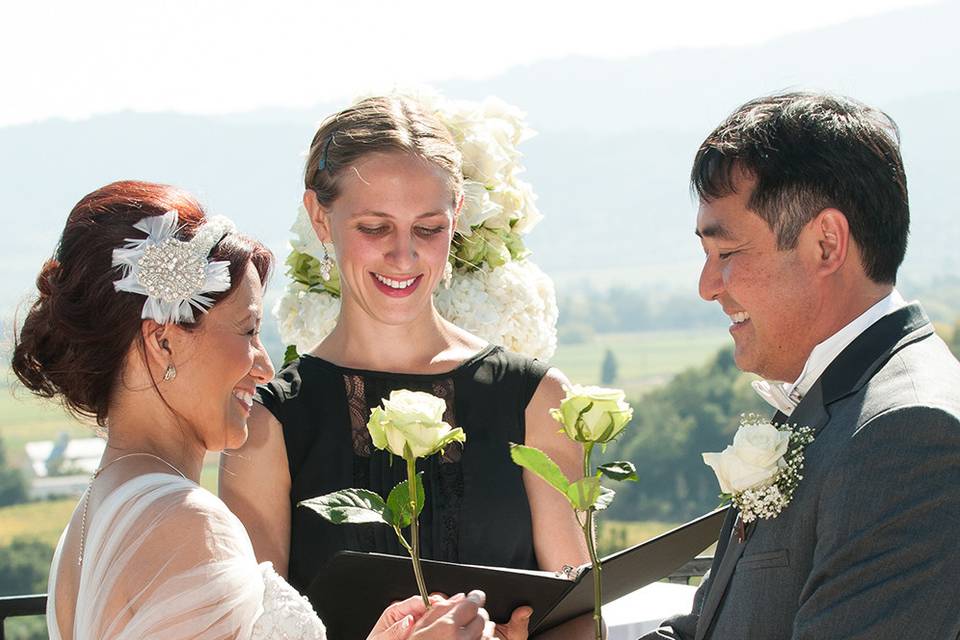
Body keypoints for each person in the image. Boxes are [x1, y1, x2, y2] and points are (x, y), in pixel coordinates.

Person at [12, 180, 493, 640]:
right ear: (163, 341)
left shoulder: (89, 521)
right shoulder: (186, 520)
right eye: (247, 331)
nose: (265, 367)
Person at [219, 95, 594, 639]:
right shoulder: (267, 424)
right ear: (320, 217)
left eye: (427, 229)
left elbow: (580, 615)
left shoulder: (537, 400)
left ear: (457, 216)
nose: (403, 256)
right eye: (375, 227)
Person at [643, 92, 960, 639]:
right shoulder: (836, 398)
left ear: (826, 243)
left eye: (726, 253)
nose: (706, 287)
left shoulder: (907, 433)